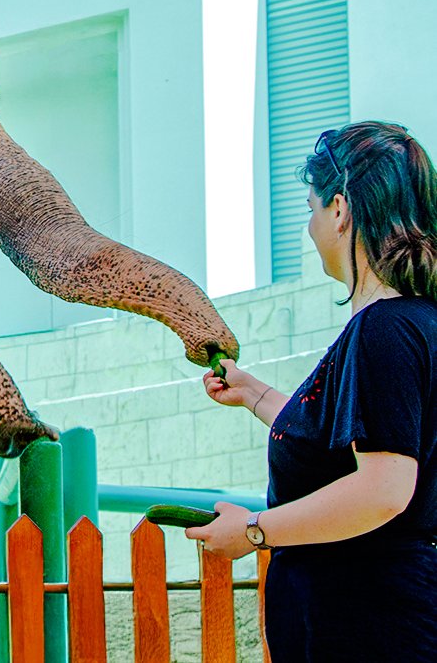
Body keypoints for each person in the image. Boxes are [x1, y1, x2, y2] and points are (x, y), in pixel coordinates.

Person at [186, 121, 437, 662]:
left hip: (372, 628)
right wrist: (255, 394)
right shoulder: (419, 324)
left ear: (341, 210)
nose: (310, 226)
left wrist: (253, 531)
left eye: (311, 208)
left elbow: (385, 489)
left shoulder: (382, 331)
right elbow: (342, 442)